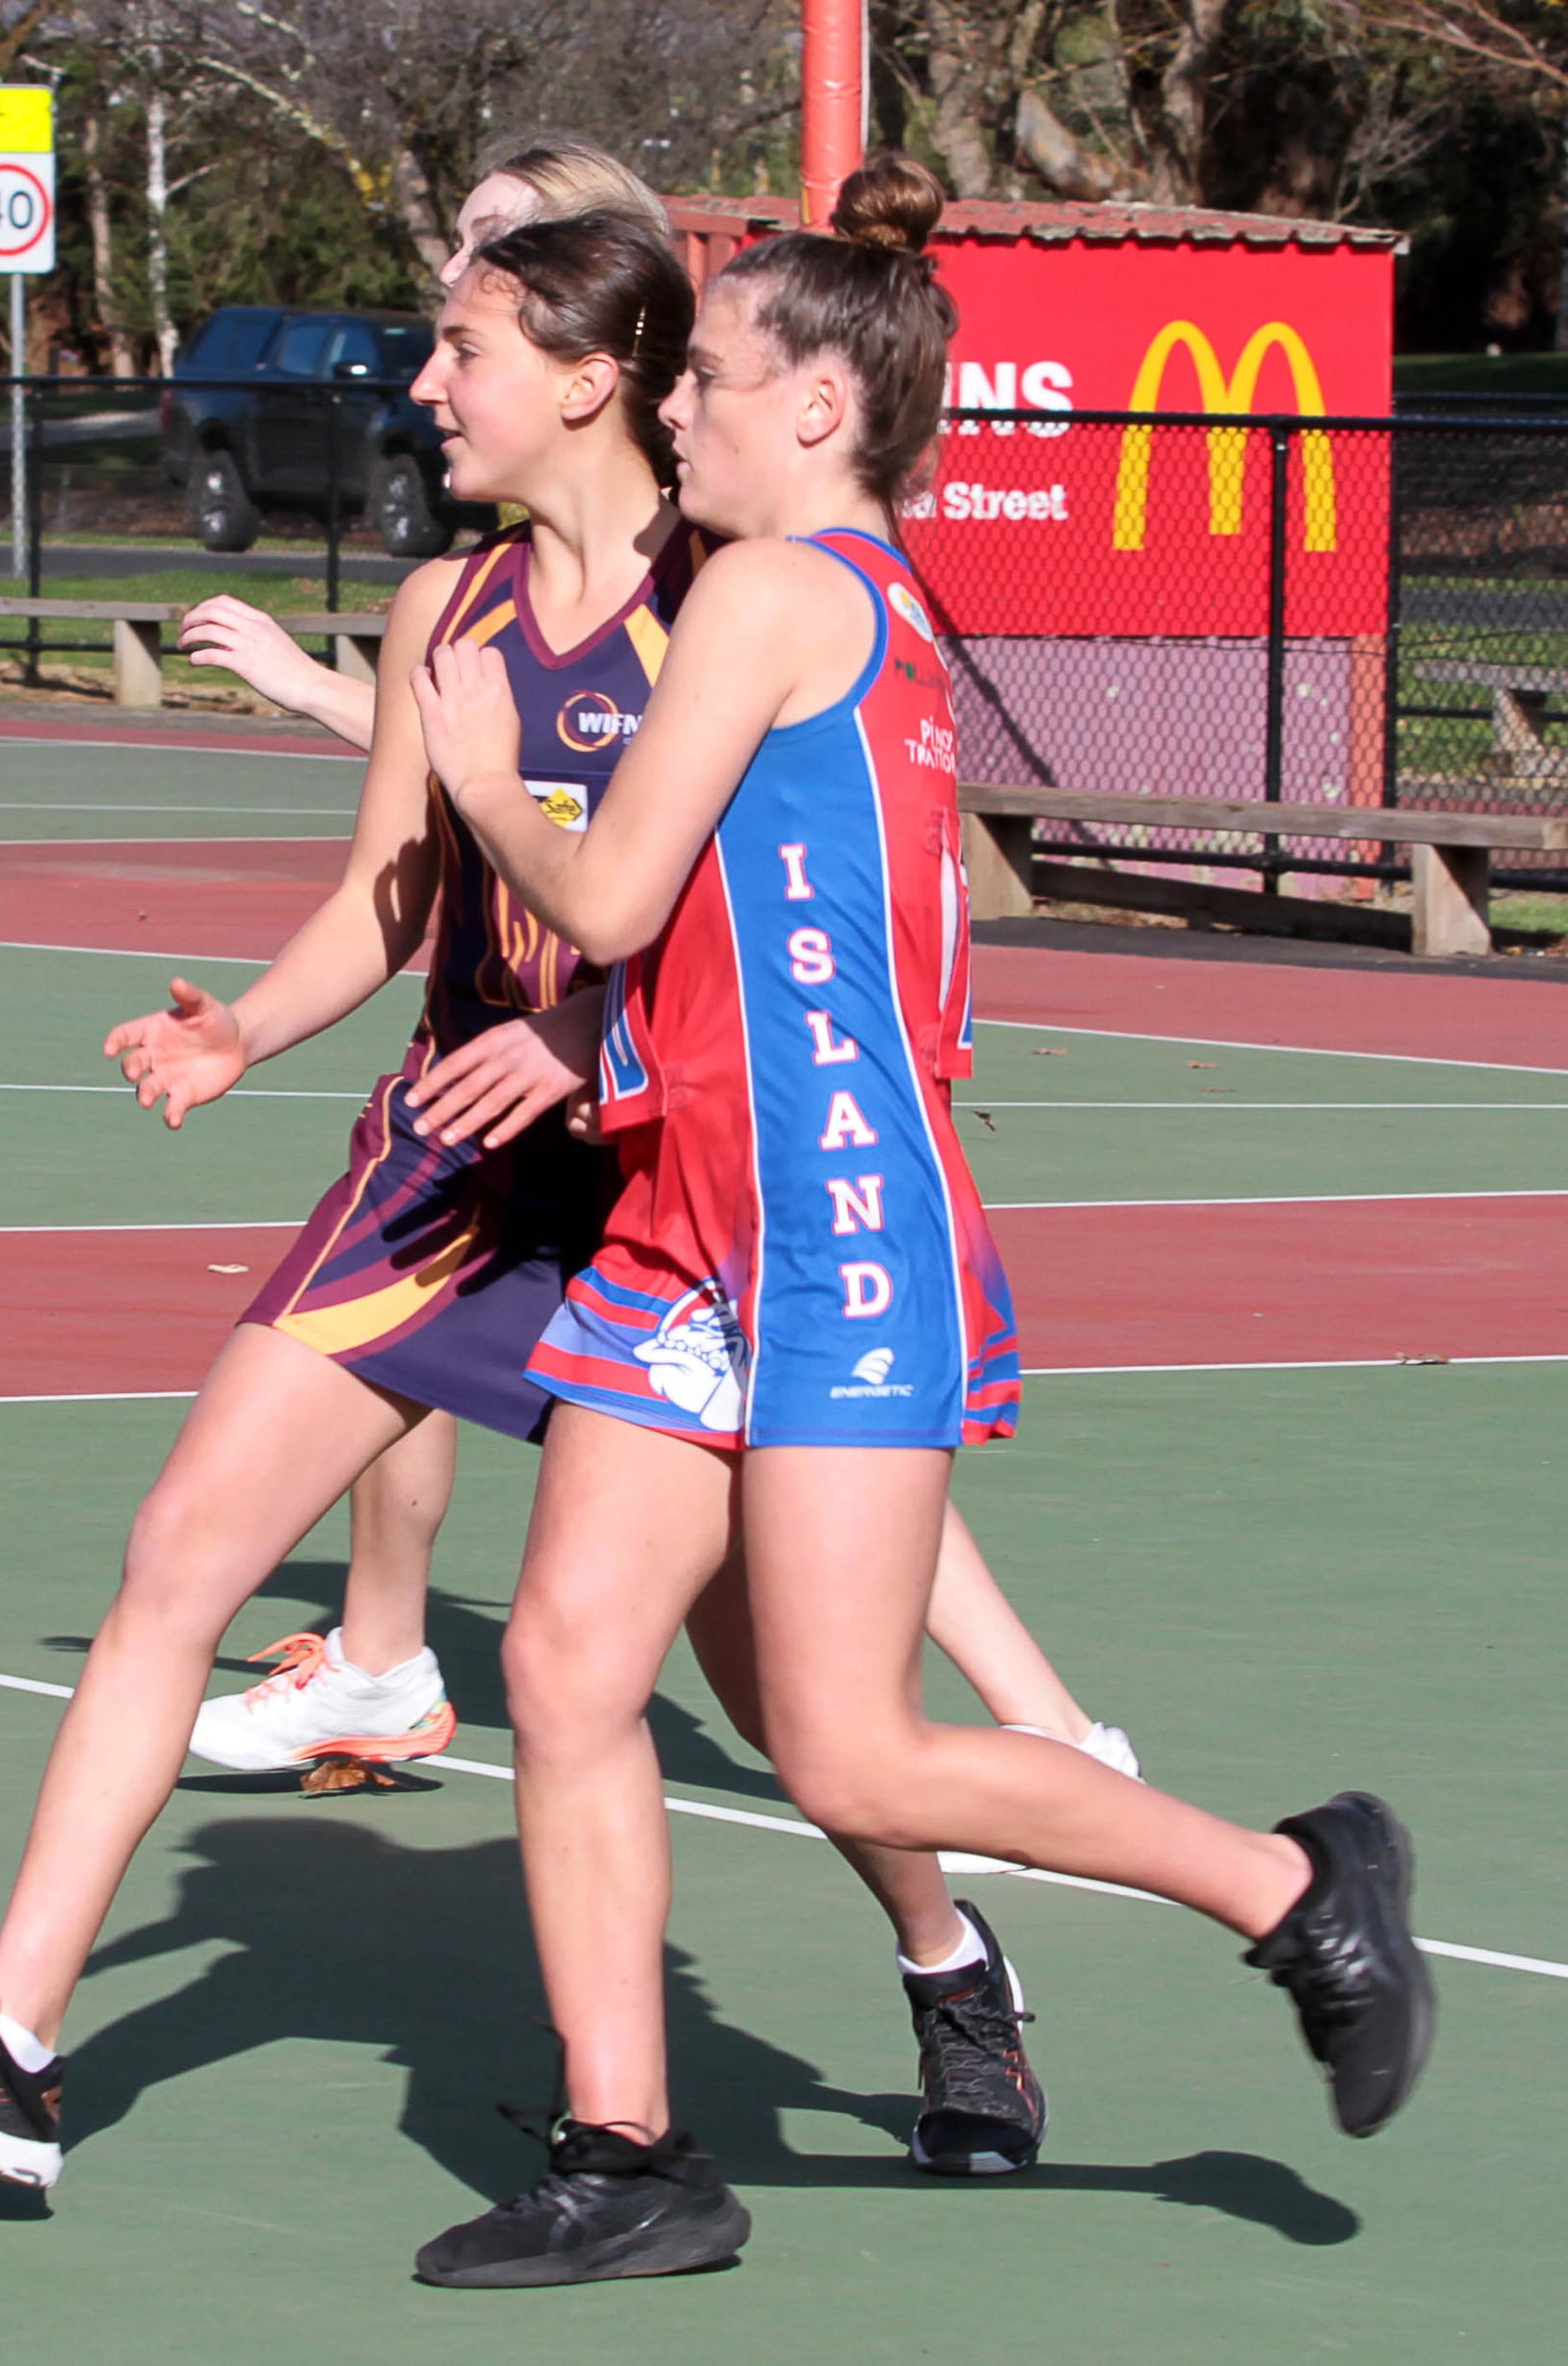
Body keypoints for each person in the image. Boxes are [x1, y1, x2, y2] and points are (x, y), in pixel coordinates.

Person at [403, 156, 1435, 2288]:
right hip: (699, 1219)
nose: (671, 405)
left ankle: (1290, 1881)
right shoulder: (848, 610)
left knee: (846, 1730)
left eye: (708, 377)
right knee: (568, 1658)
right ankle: (629, 2146)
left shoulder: (782, 598)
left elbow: (593, 895)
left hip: (836, 1228)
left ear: (812, 410)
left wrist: (475, 761)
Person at [180, 136, 1139, 1799]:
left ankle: (1068, 1761)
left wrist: (580, 1014)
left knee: (820, 1597)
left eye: (487, 292)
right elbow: (462, 797)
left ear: (595, 352)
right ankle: (389, 1661)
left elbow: (662, 882)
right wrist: (259, 1008)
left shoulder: (735, 584)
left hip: (725, 1135)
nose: (438, 341)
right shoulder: (483, 594)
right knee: (563, 1600)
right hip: (531, 1113)